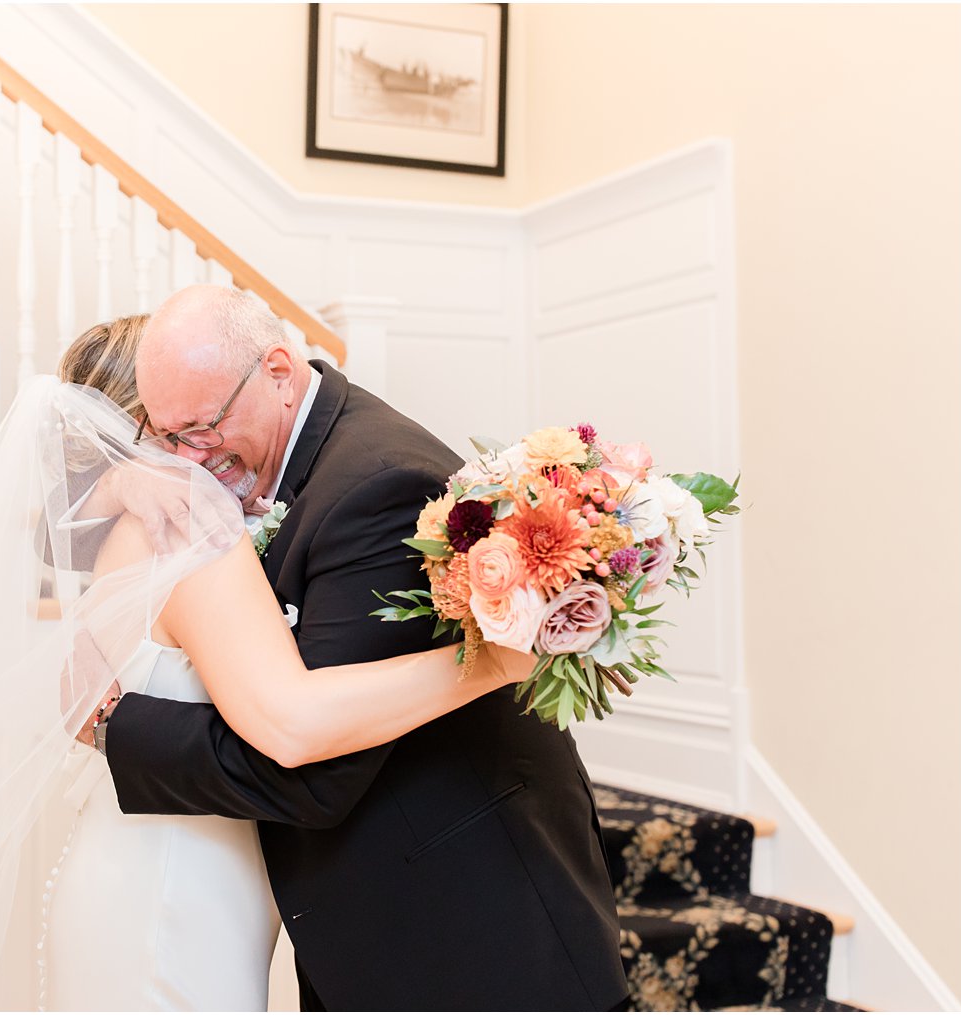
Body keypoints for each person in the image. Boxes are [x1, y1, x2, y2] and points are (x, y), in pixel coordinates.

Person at [0, 313, 532, 1011]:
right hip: (174, 887)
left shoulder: (133, 520)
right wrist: (494, 663)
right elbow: (289, 721)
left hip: (149, 864)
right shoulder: (189, 528)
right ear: (143, 429)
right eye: (183, 427)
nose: (204, 447)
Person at [82, 286, 630, 1011]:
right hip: (368, 926)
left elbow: (308, 772)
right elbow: (50, 526)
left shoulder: (378, 487)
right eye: (166, 437)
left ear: (278, 372)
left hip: (469, 933)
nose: (189, 457)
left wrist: (114, 725)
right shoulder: (229, 472)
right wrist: (116, 481)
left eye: (202, 429)